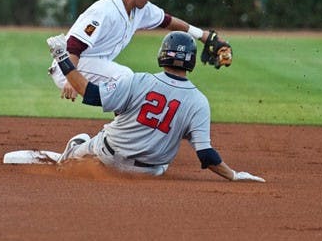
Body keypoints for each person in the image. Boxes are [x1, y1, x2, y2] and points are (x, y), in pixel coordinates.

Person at [46, 31, 264, 182]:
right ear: (191, 61)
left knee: (87, 140)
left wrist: (62, 57)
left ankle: (73, 153)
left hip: (108, 156)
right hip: (148, 173)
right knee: (164, 155)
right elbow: (207, 155)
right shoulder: (199, 102)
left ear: (162, 54)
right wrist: (233, 175)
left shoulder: (137, 80)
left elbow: (91, 94)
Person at [48, 0, 230, 102]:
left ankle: (122, 130)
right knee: (125, 78)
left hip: (93, 63)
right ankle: (122, 133)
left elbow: (168, 21)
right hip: (70, 65)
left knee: (128, 85)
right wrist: (71, 79)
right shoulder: (104, 11)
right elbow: (74, 45)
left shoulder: (140, 9)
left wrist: (204, 36)